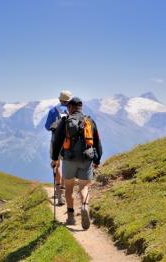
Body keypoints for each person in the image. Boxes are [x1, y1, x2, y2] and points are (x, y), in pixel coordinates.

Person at [51, 97, 102, 230]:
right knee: (84, 187)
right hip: (86, 158)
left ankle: (71, 217)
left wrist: (55, 158)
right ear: (81, 107)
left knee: (68, 188)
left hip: (69, 159)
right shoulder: (89, 121)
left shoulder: (65, 121)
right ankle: (85, 206)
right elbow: (97, 141)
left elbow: (57, 141)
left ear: (71, 108)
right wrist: (97, 160)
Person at [45, 90, 72, 206]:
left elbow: (47, 126)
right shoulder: (72, 110)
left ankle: (58, 194)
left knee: (56, 165)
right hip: (69, 143)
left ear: (59, 99)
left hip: (56, 141)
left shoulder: (53, 110)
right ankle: (64, 191)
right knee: (66, 166)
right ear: (69, 100)